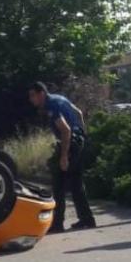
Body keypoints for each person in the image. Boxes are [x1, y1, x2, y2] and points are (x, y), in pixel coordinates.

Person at [28, 81, 96, 232]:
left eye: (33, 95)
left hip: (70, 143)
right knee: (76, 184)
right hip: (78, 141)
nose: (31, 99)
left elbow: (65, 130)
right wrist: (82, 134)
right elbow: (78, 112)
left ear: (42, 94)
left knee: (58, 183)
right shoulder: (60, 98)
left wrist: (64, 156)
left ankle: (57, 223)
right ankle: (87, 219)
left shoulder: (51, 106)